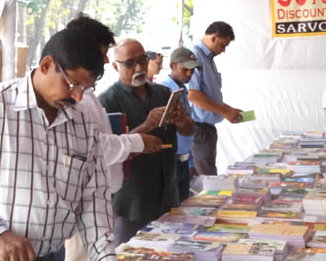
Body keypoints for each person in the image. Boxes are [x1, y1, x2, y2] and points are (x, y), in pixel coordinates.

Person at [0, 29, 144, 261]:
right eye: (73, 84)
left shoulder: (82, 124)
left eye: (87, 89)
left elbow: (92, 200)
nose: (78, 96)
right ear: (46, 65)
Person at [64, 13, 162, 261]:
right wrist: (137, 142)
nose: (105, 59)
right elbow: (92, 146)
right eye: (102, 51)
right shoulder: (73, 93)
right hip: (81, 201)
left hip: (101, 197)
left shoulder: (87, 91)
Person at [99, 39, 195, 245]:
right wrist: (147, 125)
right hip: (133, 199)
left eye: (143, 60)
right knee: (129, 258)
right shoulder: (107, 101)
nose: (139, 67)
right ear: (115, 66)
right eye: (130, 63)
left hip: (168, 193)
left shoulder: (162, 93)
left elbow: (189, 131)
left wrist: (181, 120)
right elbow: (108, 151)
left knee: (170, 252)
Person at [188, 21, 243, 175]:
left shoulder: (208, 59)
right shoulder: (194, 55)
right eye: (222, 44)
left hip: (206, 129)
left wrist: (228, 110)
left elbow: (208, 95)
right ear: (213, 38)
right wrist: (225, 111)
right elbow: (193, 95)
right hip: (198, 128)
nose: (223, 50)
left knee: (209, 173)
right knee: (206, 177)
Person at [160, 47, 201, 202]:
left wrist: (191, 162)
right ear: (172, 66)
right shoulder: (164, 90)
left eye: (193, 70)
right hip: (172, 162)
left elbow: (186, 132)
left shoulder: (182, 90)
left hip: (183, 161)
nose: (190, 73)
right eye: (186, 69)